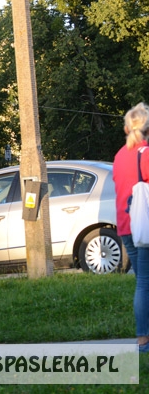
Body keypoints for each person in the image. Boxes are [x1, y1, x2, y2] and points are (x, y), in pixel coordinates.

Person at [112, 102, 149, 353]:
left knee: (142, 281)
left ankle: (143, 341)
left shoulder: (119, 155)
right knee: (145, 282)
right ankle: (143, 342)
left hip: (126, 226)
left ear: (127, 128)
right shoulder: (145, 153)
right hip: (145, 227)